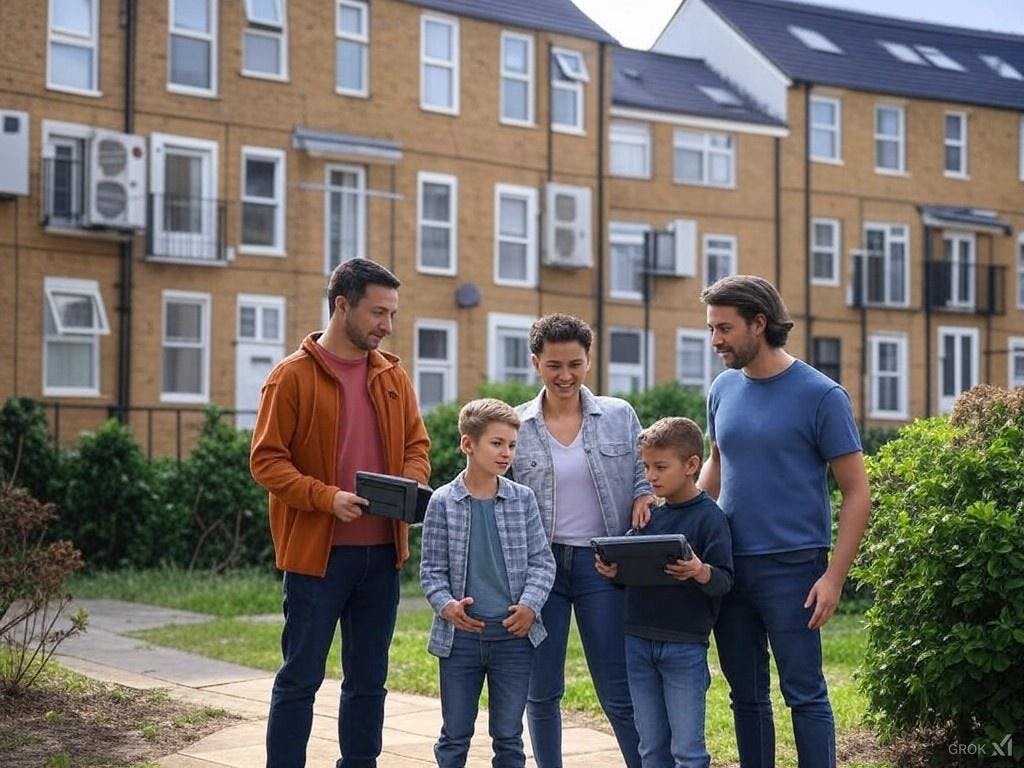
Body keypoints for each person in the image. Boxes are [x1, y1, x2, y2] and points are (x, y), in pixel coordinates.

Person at [250, 258, 431, 768]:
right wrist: (326, 498)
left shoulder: (393, 375)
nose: (387, 325)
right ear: (342, 305)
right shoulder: (290, 377)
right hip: (317, 558)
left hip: (383, 555)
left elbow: (417, 445)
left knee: (369, 681)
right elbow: (266, 461)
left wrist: (409, 484)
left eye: (392, 314)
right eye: (378, 312)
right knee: (300, 678)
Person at [698, 275, 870, 768]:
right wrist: (680, 520)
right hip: (730, 565)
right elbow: (716, 463)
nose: (715, 341)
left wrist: (834, 578)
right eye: (711, 329)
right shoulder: (723, 388)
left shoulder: (822, 395)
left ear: (759, 323)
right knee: (746, 695)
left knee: (804, 692)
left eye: (724, 329)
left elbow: (857, 492)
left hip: (794, 568)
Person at [511, 313, 655, 768]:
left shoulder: (618, 415)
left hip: (602, 566)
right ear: (536, 363)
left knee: (617, 688)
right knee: (542, 691)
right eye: (554, 365)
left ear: (589, 360)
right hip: (541, 570)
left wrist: (644, 493)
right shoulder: (517, 426)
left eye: (575, 364)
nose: (565, 376)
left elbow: (644, 470)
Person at [420, 398, 556, 768]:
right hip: (460, 639)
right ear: (468, 444)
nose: (506, 453)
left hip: (513, 637)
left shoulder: (522, 499)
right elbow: (431, 570)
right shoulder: (442, 502)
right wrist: (446, 605)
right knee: (454, 735)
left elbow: (542, 562)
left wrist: (529, 606)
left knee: (509, 736)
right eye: (497, 443)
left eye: (512, 445)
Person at [594, 416, 733, 768]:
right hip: (637, 643)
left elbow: (724, 581)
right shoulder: (649, 517)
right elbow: (635, 573)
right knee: (651, 749)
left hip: (684, 647)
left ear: (691, 465)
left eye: (660, 467)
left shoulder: (711, 518)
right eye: (646, 467)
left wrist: (699, 570)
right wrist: (614, 571)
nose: (650, 476)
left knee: (688, 752)